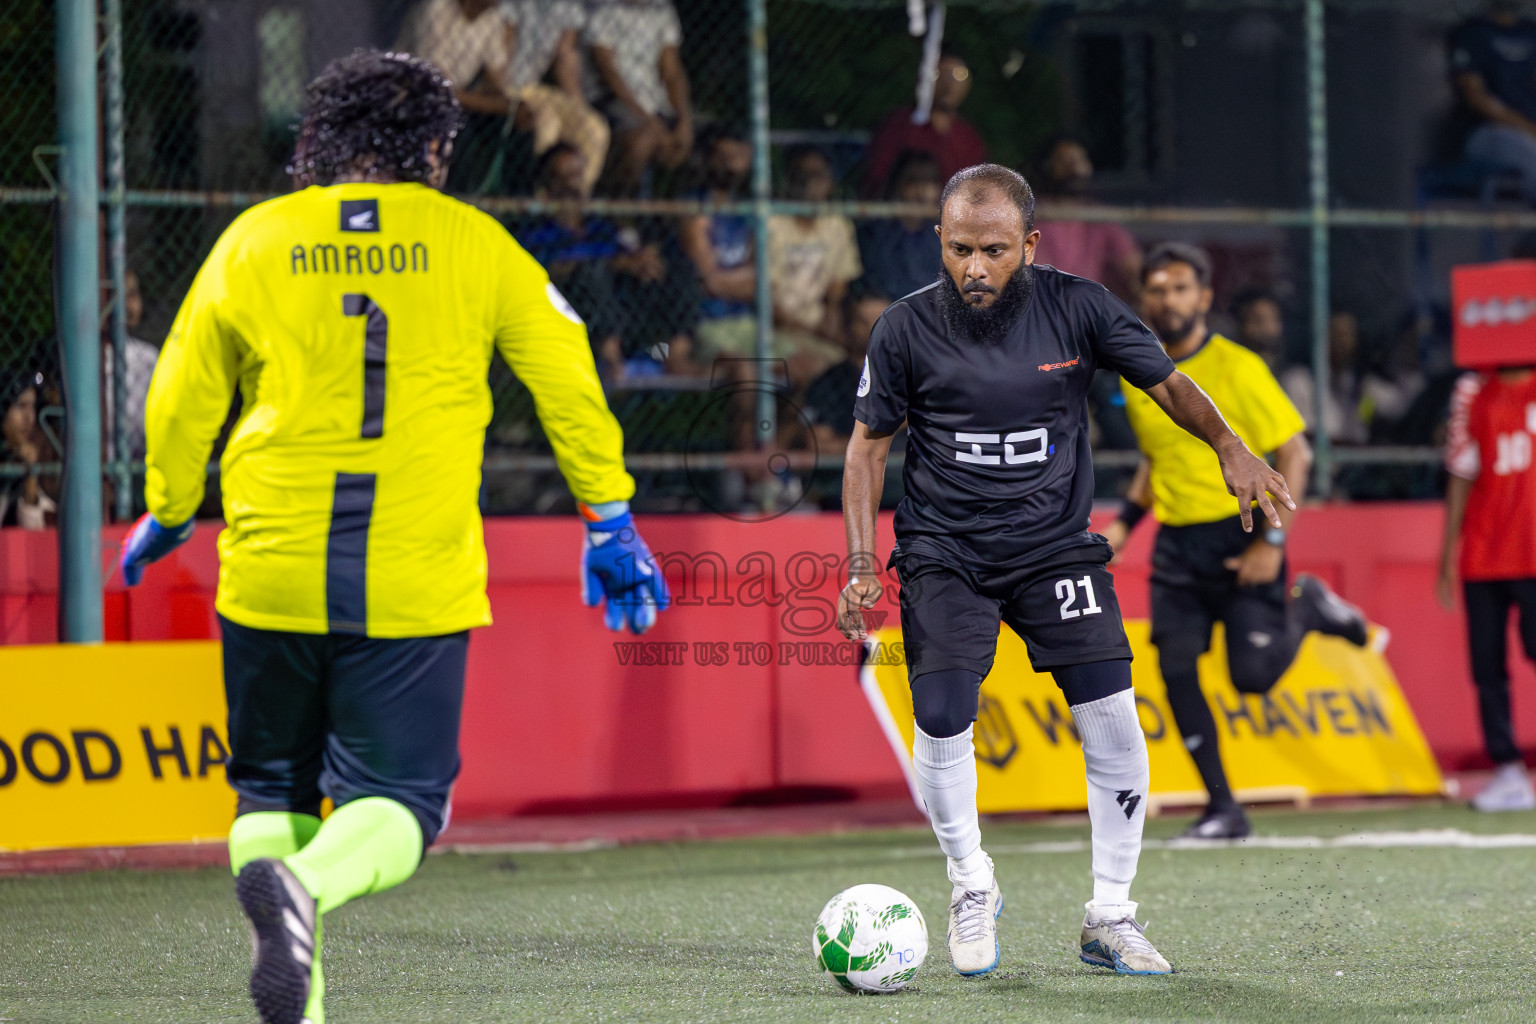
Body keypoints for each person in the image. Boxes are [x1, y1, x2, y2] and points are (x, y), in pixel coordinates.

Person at [116, 51, 669, 1024]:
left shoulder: (256, 239)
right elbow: (567, 376)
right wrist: (608, 513)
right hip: (411, 574)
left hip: (268, 563)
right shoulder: (476, 243)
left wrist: (168, 503)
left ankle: (301, 990)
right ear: (431, 147)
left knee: (269, 794)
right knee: (404, 807)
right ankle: (309, 887)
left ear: (318, 146)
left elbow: (179, 389)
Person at [838, 164, 1295, 978]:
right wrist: (863, 565)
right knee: (940, 717)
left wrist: (1229, 445)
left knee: (1114, 719)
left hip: (1053, 548)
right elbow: (867, 448)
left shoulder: (1079, 306)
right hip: (946, 553)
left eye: (994, 249)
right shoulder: (903, 329)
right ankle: (970, 883)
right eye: (958, 248)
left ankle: (1110, 917)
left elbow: (1168, 382)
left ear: (1031, 244)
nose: (974, 267)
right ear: (938, 242)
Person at [1104, 242, 1371, 840]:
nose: (1166, 299)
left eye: (1179, 288)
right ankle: (1223, 808)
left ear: (1203, 297)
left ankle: (1308, 608)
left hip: (1244, 531)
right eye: (1156, 288)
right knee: (1175, 667)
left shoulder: (1238, 367)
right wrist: (1125, 521)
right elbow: (1158, 461)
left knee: (1251, 676)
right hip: (1177, 543)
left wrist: (1272, 544)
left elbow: (1294, 453)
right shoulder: (1140, 371)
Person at [1440, 365, 1536, 811]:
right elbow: (1461, 472)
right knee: (1487, 667)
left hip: (1533, 548)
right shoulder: (1472, 390)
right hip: (1485, 550)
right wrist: (1447, 556)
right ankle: (1508, 769)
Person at [515, 144, 697, 378]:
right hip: (578, 313)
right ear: (546, 186)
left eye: (578, 175)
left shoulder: (600, 226)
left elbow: (626, 255)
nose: (573, 184)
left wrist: (641, 261)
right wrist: (614, 264)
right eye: (564, 177)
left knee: (674, 266)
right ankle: (612, 362)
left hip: (625, 309)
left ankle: (675, 355)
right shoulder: (536, 232)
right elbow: (550, 271)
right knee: (590, 272)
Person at [395, 0, 522, 194]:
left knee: (518, 122)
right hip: (412, 95)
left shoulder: (493, 18)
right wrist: (495, 104)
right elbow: (435, 84)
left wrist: (510, 104)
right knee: (458, 129)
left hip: (458, 101)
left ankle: (506, 200)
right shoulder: (437, 7)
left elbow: (496, 82)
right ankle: (447, 193)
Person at [500, 0, 609, 194]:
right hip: (506, 86)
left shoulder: (567, 5)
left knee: (595, 129)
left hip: (535, 88)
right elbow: (501, 48)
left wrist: (577, 106)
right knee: (547, 122)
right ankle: (543, 198)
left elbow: (564, 54)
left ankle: (578, 199)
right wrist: (505, 96)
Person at [584, 0, 692, 195]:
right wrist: (649, 121)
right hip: (612, 101)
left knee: (694, 144)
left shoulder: (662, 10)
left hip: (655, 104)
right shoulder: (602, 9)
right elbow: (608, 72)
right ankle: (622, 214)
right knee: (642, 141)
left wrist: (684, 120)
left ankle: (677, 217)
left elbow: (671, 71)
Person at [1032, 136, 1142, 304]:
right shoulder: (1033, 215)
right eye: (1064, 160)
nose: (1074, 168)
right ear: (1048, 167)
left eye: (1079, 160)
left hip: (1086, 311)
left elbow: (1134, 269)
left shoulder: (1099, 218)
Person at [862, 53, 988, 198]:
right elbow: (877, 178)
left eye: (960, 75)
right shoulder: (899, 126)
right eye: (941, 74)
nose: (949, 84)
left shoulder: (968, 137)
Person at [1448, 1, 1536, 204]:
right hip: (1487, 135)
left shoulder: (1530, 31)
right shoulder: (1471, 33)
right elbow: (1476, 97)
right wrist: (1529, 129)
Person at [857, 150, 944, 301]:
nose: (922, 190)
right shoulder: (877, 231)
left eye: (930, 181)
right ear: (897, 185)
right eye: (913, 181)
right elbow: (874, 283)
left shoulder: (944, 234)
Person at [1280, 308, 1367, 444]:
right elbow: (1296, 437)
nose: (1343, 343)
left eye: (1349, 335)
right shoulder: (1298, 381)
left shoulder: (1358, 383)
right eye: (1337, 335)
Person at [103, 268, 161, 463]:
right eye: (120, 296)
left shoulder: (147, 358)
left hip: (138, 463)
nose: (129, 305)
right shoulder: (89, 358)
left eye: (133, 294)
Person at [1230, 286, 1286, 371]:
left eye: (1272, 320)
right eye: (1258, 320)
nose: (1266, 327)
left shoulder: (1294, 378)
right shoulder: (1228, 371)